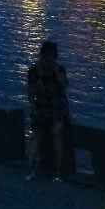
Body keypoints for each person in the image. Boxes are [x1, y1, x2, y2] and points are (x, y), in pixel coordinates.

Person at [26, 40, 70, 181]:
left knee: (56, 133)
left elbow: (64, 85)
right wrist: (33, 107)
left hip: (57, 108)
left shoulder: (59, 69)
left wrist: (55, 70)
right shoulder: (34, 70)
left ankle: (57, 171)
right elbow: (30, 92)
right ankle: (30, 168)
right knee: (36, 135)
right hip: (41, 106)